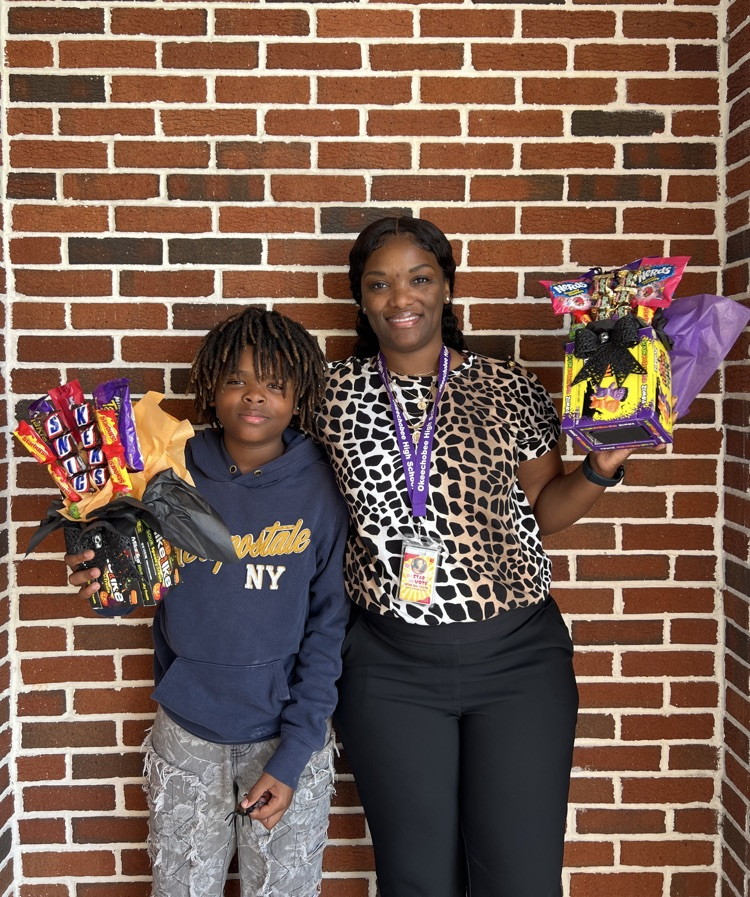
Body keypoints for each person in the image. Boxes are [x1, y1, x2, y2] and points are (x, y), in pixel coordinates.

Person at [312, 216, 645, 897]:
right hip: (388, 668)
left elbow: (544, 511)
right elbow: (273, 486)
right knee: (416, 881)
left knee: (519, 880)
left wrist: (600, 469)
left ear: (447, 288)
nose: (399, 298)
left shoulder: (508, 386)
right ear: (360, 299)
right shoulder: (328, 395)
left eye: (419, 278)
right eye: (379, 284)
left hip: (517, 664)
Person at [65, 307, 350, 897]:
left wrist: (295, 752)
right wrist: (104, 584)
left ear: (300, 395)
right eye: (236, 380)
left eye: (275, 383)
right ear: (210, 388)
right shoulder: (172, 469)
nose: (255, 396)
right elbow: (137, 578)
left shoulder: (322, 487)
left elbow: (328, 629)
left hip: (287, 732)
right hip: (188, 730)